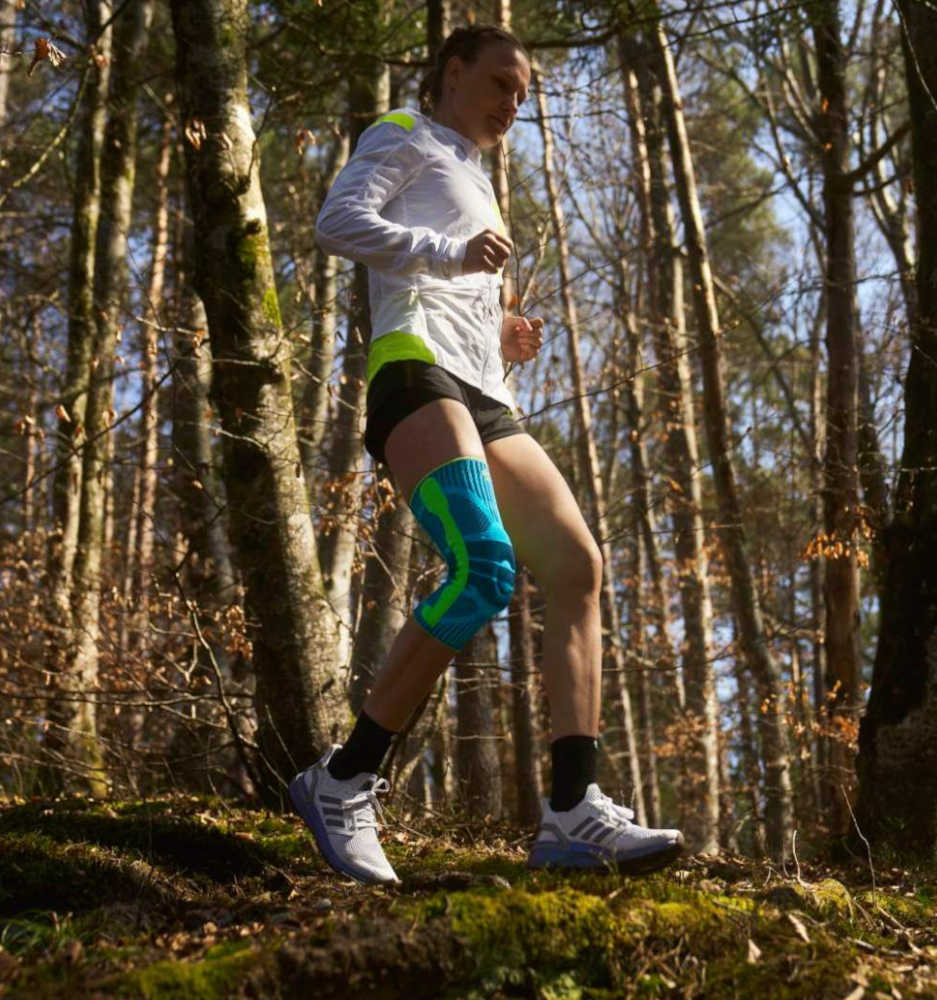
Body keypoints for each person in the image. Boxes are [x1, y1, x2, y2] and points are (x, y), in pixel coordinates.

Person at [289, 24, 685, 884]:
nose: (514, 102)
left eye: (524, 93)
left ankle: (572, 810)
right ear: (452, 71)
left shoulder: (478, 179)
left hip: (484, 391)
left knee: (577, 565)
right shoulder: (405, 133)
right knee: (483, 569)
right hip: (413, 371)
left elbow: (451, 284)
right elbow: (337, 223)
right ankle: (342, 778)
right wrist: (451, 254)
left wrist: (499, 329)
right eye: (501, 82)